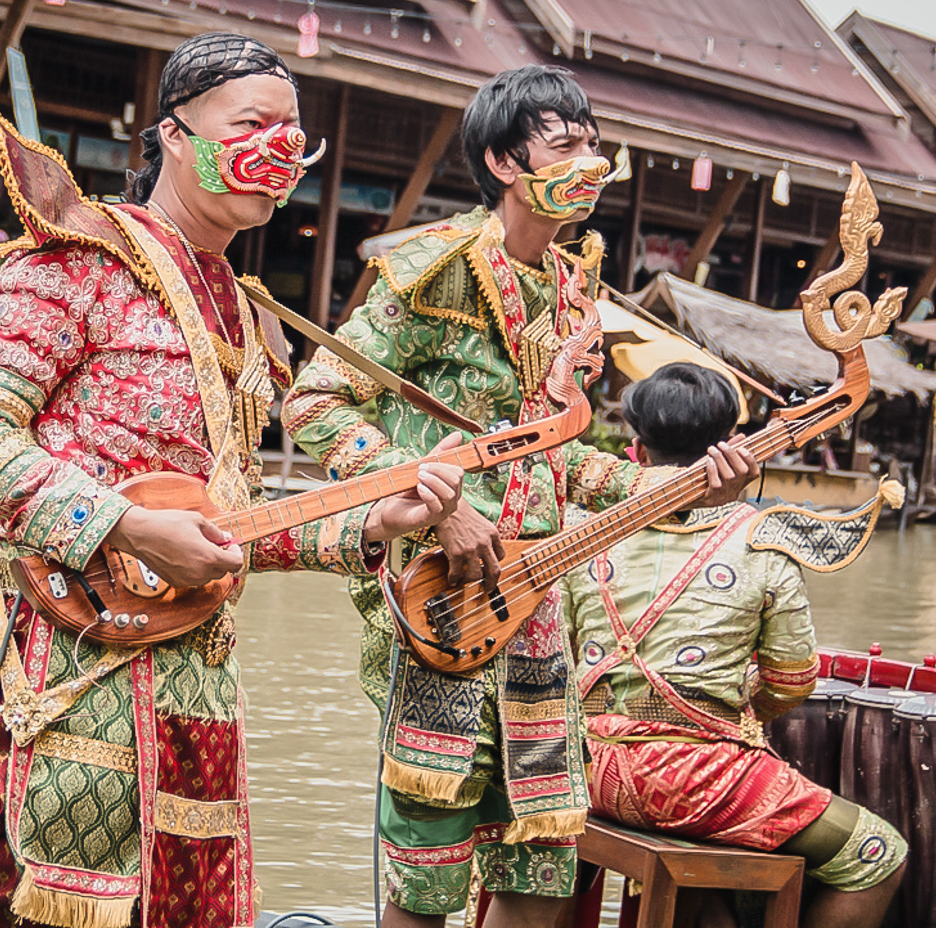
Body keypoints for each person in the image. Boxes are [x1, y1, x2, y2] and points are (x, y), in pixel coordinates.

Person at [0, 31, 466, 928]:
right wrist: (121, 528)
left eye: (293, 133)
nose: (278, 149)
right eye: (252, 123)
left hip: (196, 679)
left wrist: (374, 521)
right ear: (173, 135)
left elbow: (230, 523)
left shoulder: (248, 315)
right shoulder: (81, 260)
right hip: (71, 665)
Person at [283, 66, 759, 927]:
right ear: (505, 162)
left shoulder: (573, 292)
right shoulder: (434, 272)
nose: (593, 162)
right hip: (443, 598)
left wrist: (684, 485)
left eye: (595, 144)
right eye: (567, 144)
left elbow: (564, 465)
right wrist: (438, 502)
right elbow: (315, 400)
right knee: (427, 855)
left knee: (539, 853)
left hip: (538, 599)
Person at [560, 363, 907, 928]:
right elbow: (794, 680)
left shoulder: (583, 528)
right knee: (880, 854)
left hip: (586, 768)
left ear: (635, 451)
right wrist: (741, 704)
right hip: (699, 783)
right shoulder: (764, 542)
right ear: (732, 448)